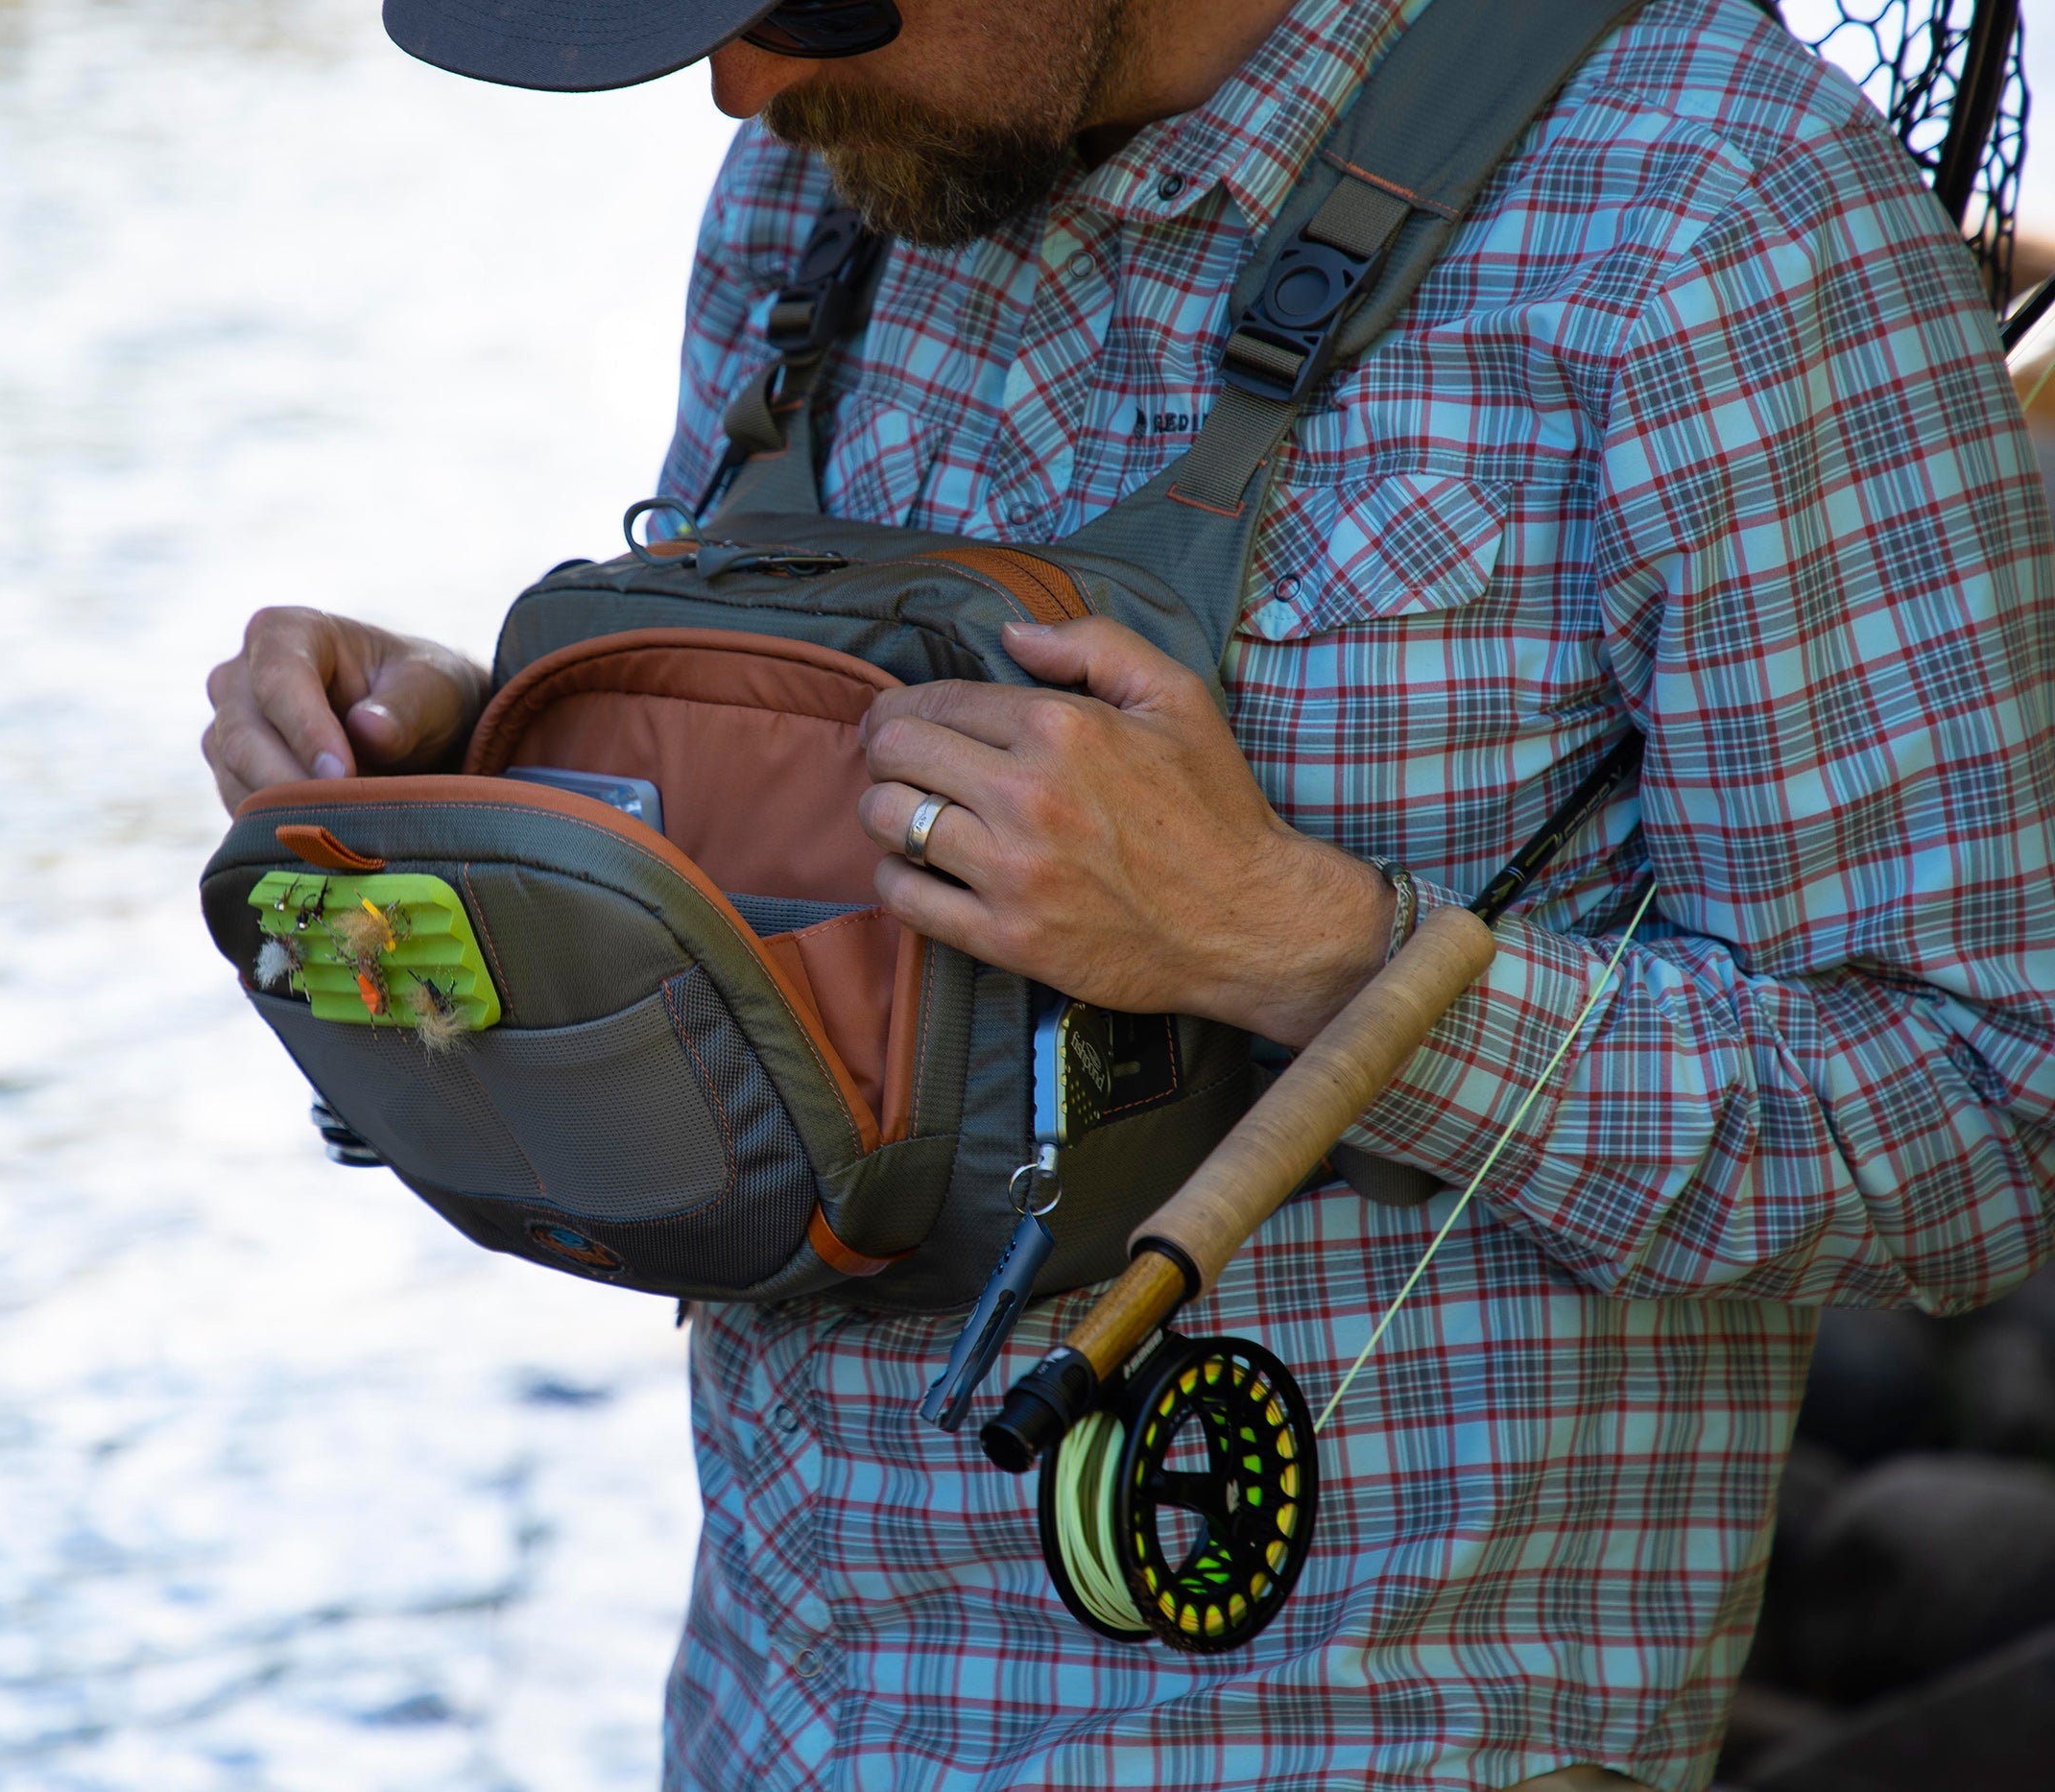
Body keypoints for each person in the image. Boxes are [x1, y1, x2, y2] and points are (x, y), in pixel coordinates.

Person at [201, 0, 2055, 1784]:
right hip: (761, 1726)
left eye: (809, 1)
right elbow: (798, 913)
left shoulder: (1714, 204)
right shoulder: (822, 171)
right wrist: (492, 774)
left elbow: (1990, 1113)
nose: (740, 86)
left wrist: (1287, 943)